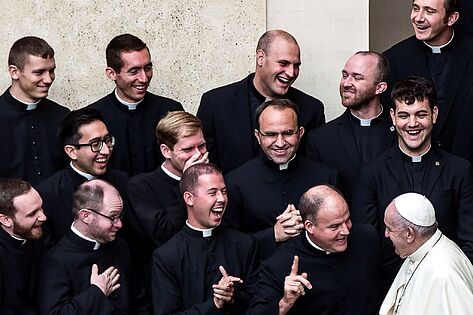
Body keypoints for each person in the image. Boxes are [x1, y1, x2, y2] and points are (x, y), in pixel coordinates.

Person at [351, 76, 473, 280]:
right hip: (389, 285)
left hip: (445, 282)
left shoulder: (459, 170)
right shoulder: (372, 173)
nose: (412, 124)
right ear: (392, 116)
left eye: (421, 114)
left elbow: (469, 241)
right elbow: (367, 243)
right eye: (404, 115)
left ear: (434, 114)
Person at [197, 29, 325, 174]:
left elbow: (314, 169)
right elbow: (206, 168)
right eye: (283, 63)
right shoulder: (215, 104)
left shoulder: (312, 109)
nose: (291, 73)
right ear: (260, 58)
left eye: (296, 66)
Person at [224, 99, 336, 258]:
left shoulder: (326, 177)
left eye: (288, 133)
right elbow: (228, 244)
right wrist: (273, 235)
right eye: (270, 134)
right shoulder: (235, 182)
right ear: (258, 136)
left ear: (300, 133)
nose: (280, 143)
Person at [248, 185, 381, 314]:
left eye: (347, 220)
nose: (345, 231)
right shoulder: (279, 264)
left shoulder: (367, 238)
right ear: (309, 226)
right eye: (334, 226)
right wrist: (285, 302)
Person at [151, 163, 258, 315]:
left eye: (224, 191)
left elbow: (258, 302)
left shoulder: (244, 244)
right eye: (213, 193)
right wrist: (215, 303)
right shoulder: (166, 257)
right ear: (189, 198)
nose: (221, 198)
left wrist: (232, 297)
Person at [39, 179, 150, 314]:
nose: (119, 224)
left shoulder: (120, 246)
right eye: (112, 217)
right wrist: (96, 292)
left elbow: (140, 300)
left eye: (120, 216)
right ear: (86, 216)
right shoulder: (56, 260)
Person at [126, 111, 208, 293]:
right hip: (168, 282)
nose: (198, 154)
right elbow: (162, 234)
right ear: (166, 151)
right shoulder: (141, 186)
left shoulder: (213, 177)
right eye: (188, 149)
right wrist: (188, 182)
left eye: (201, 146)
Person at [383, 0, 473, 152]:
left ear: (452, 18)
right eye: (415, 9)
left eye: (429, 11)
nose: (418, 17)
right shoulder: (393, 59)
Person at [306, 51, 396, 202]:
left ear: (380, 88)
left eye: (357, 77)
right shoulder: (321, 139)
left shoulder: (403, 132)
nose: (346, 83)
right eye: (344, 75)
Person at [88, 33, 183, 176]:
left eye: (148, 68)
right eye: (134, 71)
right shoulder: (91, 116)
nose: (144, 78)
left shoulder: (170, 110)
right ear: (111, 73)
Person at [37, 108, 128, 245]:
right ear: (72, 151)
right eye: (95, 144)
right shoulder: (48, 193)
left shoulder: (122, 181)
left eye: (108, 140)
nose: (105, 150)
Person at [380, 192, 473, 315]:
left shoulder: (444, 275)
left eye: (389, 229)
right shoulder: (418, 250)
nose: (386, 234)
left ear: (409, 234)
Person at [0, 36, 69, 185]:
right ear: (14, 72)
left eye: (51, 71)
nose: (49, 79)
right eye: (39, 72)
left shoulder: (62, 115)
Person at [0, 178, 47, 315]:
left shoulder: (34, 233)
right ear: (6, 220)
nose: (43, 217)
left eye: (41, 208)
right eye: (32, 214)